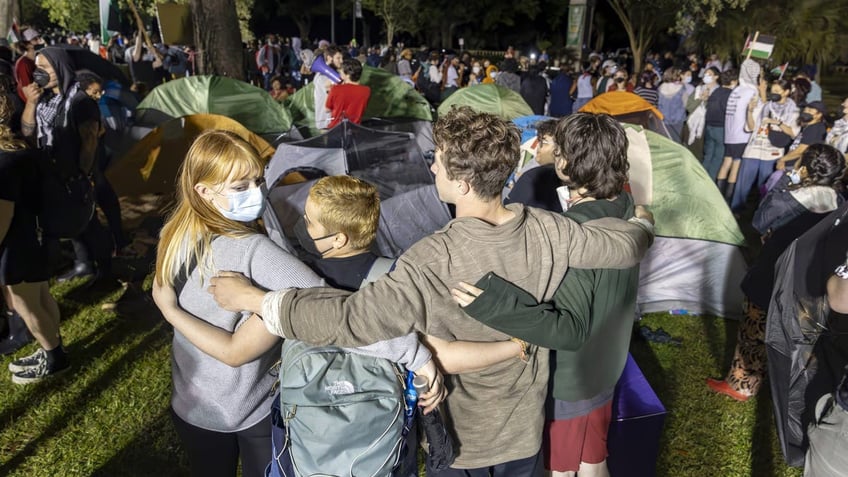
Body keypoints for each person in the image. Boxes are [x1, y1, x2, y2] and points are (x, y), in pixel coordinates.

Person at [208, 106, 655, 477]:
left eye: (437, 159)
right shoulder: (552, 229)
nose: (433, 165)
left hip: (462, 442)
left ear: (461, 184)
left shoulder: (430, 259)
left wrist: (258, 301)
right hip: (523, 431)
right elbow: (624, 245)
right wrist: (643, 223)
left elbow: (350, 321)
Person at [451, 112, 640, 477]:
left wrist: (492, 303)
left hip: (570, 381)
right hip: (606, 366)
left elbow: (568, 329)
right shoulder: (625, 207)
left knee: (561, 468)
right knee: (593, 460)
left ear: (566, 163)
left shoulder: (573, 234)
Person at [149, 130, 326, 477]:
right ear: (204, 190)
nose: (257, 194)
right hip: (253, 408)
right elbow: (324, 302)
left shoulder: (172, 234)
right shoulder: (253, 250)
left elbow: (170, 299)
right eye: (240, 186)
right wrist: (269, 304)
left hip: (192, 404)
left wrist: (169, 311)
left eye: (259, 181)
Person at [708, 144, 846, 402]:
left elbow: (760, 221)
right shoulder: (840, 203)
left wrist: (786, 179)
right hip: (809, 285)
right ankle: (786, 390)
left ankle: (742, 385)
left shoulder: (789, 198)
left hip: (771, 277)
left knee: (753, 334)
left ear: (803, 168)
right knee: (793, 340)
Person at [0, 92, 67, 383]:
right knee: (40, 296)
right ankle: (54, 348)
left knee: (25, 304)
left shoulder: (2, 162)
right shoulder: (20, 148)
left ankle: (54, 358)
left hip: (15, 244)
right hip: (35, 235)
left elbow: (3, 216)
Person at [729, 78, 800, 213]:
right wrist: (749, 112)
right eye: (772, 90)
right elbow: (750, 127)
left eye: (777, 91)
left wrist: (777, 123)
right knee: (742, 186)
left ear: (786, 92)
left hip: (772, 153)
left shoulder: (794, 111)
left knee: (766, 187)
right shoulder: (764, 106)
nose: (773, 93)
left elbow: (793, 133)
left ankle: (762, 214)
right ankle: (736, 211)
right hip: (753, 151)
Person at [752, 144, 846, 239]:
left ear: (803, 170)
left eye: (799, 159)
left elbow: (758, 224)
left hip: (776, 247)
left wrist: (782, 184)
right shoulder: (840, 202)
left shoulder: (783, 201)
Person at [716, 59, 761, 203]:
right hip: (742, 135)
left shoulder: (737, 89)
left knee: (726, 163)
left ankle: (717, 196)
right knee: (735, 166)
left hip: (730, 134)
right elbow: (757, 111)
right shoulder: (751, 91)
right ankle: (728, 200)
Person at [504, 119, 563, 212]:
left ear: (560, 148)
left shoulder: (534, 176)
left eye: (544, 142)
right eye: (539, 141)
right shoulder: (533, 163)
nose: (538, 146)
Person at [700, 68, 736, 180]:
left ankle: (701, 178)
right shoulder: (730, 95)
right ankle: (710, 182)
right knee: (718, 158)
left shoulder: (716, 91)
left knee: (708, 155)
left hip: (710, 127)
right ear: (734, 82)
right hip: (721, 129)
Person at [775, 101, 828, 171]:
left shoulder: (815, 128)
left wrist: (781, 160)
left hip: (795, 166)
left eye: (810, 110)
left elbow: (801, 150)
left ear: (819, 115)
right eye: (805, 110)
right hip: (791, 163)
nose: (805, 112)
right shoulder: (808, 127)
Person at [325, 58, 370, 128]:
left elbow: (327, 109)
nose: (339, 73)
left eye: (341, 71)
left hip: (336, 129)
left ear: (348, 75)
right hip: (356, 129)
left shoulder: (335, 89)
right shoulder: (367, 90)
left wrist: (329, 91)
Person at [313, 46, 343, 130]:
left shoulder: (330, 74)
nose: (341, 61)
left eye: (342, 58)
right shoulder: (323, 76)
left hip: (331, 122)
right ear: (329, 58)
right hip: (326, 123)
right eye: (338, 58)